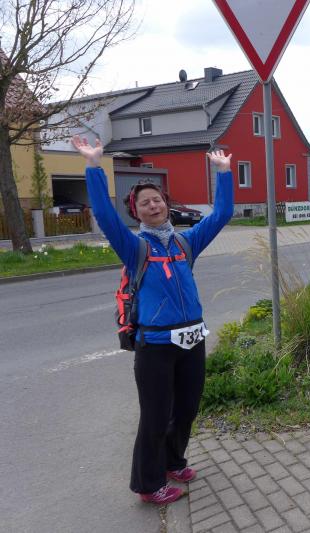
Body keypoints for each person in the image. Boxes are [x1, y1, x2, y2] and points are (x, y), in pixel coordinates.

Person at [72, 136, 234, 505]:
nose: (153, 205)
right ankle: (148, 484)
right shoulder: (135, 248)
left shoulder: (186, 243)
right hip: (156, 346)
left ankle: (174, 461)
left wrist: (223, 173)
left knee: (187, 409)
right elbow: (105, 217)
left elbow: (222, 214)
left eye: (157, 199)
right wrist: (94, 166)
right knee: (156, 417)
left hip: (192, 340)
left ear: (166, 204)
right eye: (145, 202)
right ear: (137, 212)